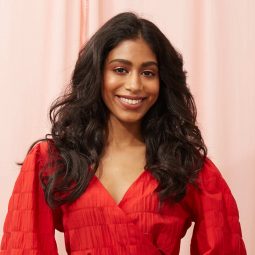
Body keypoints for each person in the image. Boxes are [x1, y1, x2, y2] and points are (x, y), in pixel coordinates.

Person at [0, 12, 246, 255]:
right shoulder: (53, 160)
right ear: (97, 74)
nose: (134, 85)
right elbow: (24, 248)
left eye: (148, 73)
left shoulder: (186, 165)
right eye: (120, 69)